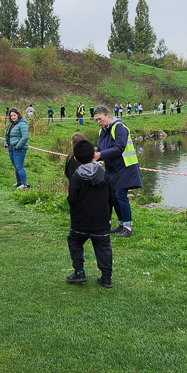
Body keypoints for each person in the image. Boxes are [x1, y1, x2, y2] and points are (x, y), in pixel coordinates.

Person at [65, 139, 115, 288]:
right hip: (101, 219)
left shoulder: (76, 177)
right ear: (94, 155)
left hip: (80, 220)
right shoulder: (105, 174)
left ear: (75, 158)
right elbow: (111, 196)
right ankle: (106, 277)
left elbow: (72, 198)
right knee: (103, 246)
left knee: (75, 242)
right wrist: (108, 212)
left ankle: (79, 272)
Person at [92, 105, 142, 238]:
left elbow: (119, 148)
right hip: (112, 168)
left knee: (120, 195)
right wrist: (94, 158)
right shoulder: (102, 130)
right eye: (96, 120)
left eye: (100, 119)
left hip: (126, 166)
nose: (98, 122)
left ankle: (128, 227)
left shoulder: (119, 127)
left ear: (108, 115)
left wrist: (100, 154)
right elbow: (101, 150)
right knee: (113, 197)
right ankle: (121, 223)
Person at [5, 107, 29, 189]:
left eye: (14, 115)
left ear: (18, 115)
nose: (13, 117)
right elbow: (7, 135)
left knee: (19, 166)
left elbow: (25, 137)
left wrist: (17, 146)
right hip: (11, 148)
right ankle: (19, 182)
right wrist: (6, 143)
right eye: (11, 116)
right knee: (16, 166)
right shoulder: (11, 124)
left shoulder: (22, 124)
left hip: (20, 149)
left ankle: (24, 184)